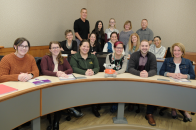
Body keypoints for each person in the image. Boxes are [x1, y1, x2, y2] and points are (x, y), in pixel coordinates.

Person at [40, 41, 83, 129]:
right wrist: (56, 73)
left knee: (61, 95)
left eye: (57, 47)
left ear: (60, 49)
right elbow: (44, 71)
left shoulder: (62, 58)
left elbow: (70, 69)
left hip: (59, 84)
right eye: (53, 48)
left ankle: (57, 121)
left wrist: (63, 73)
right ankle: (69, 110)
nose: (56, 49)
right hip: (49, 85)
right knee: (58, 97)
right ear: (50, 49)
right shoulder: (45, 58)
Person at [159, 42, 195, 122]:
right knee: (173, 92)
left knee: (184, 93)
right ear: (172, 52)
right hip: (170, 85)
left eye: (179, 50)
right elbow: (161, 72)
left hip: (183, 85)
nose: (176, 52)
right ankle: (174, 108)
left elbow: (193, 76)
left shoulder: (188, 62)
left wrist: (184, 76)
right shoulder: (167, 60)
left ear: (182, 52)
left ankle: (184, 110)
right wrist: (171, 74)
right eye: (175, 50)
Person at [128, 40, 157, 126]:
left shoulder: (152, 56)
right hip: (136, 78)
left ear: (149, 47)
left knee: (152, 90)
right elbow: (130, 68)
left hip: (147, 78)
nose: (144, 47)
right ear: (140, 47)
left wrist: (148, 74)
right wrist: (139, 73)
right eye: (143, 46)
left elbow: (154, 70)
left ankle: (149, 113)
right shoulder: (134, 55)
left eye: (146, 46)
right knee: (128, 87)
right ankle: (131, 102)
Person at [70, 39, 100, 117]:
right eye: (84, 46)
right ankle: (78, 107)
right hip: (79, 81)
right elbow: (73, 68)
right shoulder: (74, 57)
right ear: (79, 47)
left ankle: (94, 108)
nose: (85, 48)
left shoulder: (92, 56)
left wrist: (93, 71)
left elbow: (97, 67)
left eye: (87, 47)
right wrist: (85, 72)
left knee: (95, 90)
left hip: (91, 80)